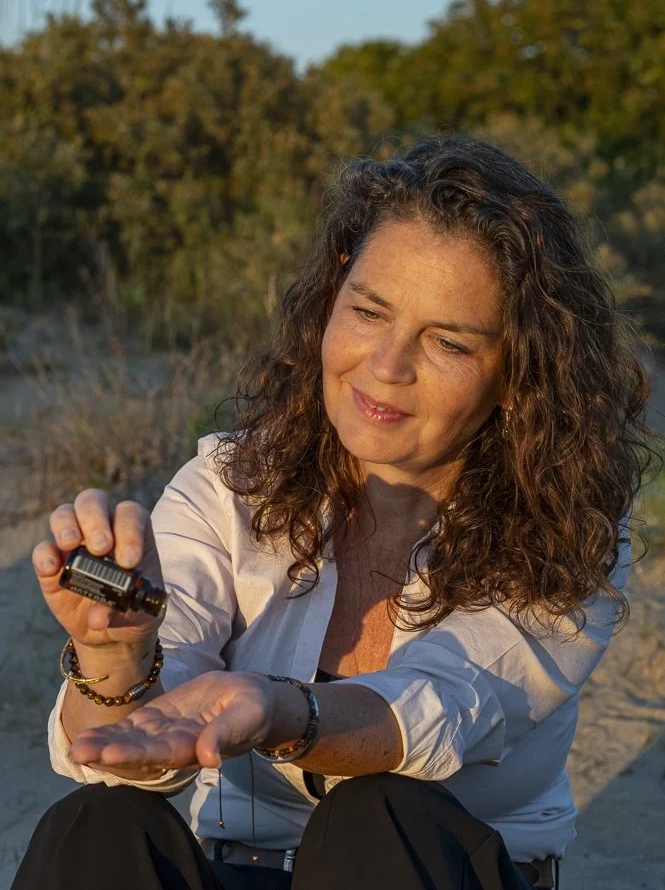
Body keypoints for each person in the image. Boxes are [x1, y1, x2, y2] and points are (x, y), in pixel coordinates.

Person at [12, 136, 656, 890]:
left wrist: (278, 710)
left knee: (380, 815)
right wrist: (117, 658)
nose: (385, 365)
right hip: (241, 869)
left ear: (518, 377)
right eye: (368, 311)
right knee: (100, 821)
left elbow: (442, 707)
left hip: (429, 871)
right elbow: (137, 753)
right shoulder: (229, 482)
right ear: (330, 302)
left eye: (447, 341)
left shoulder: (565, 530)